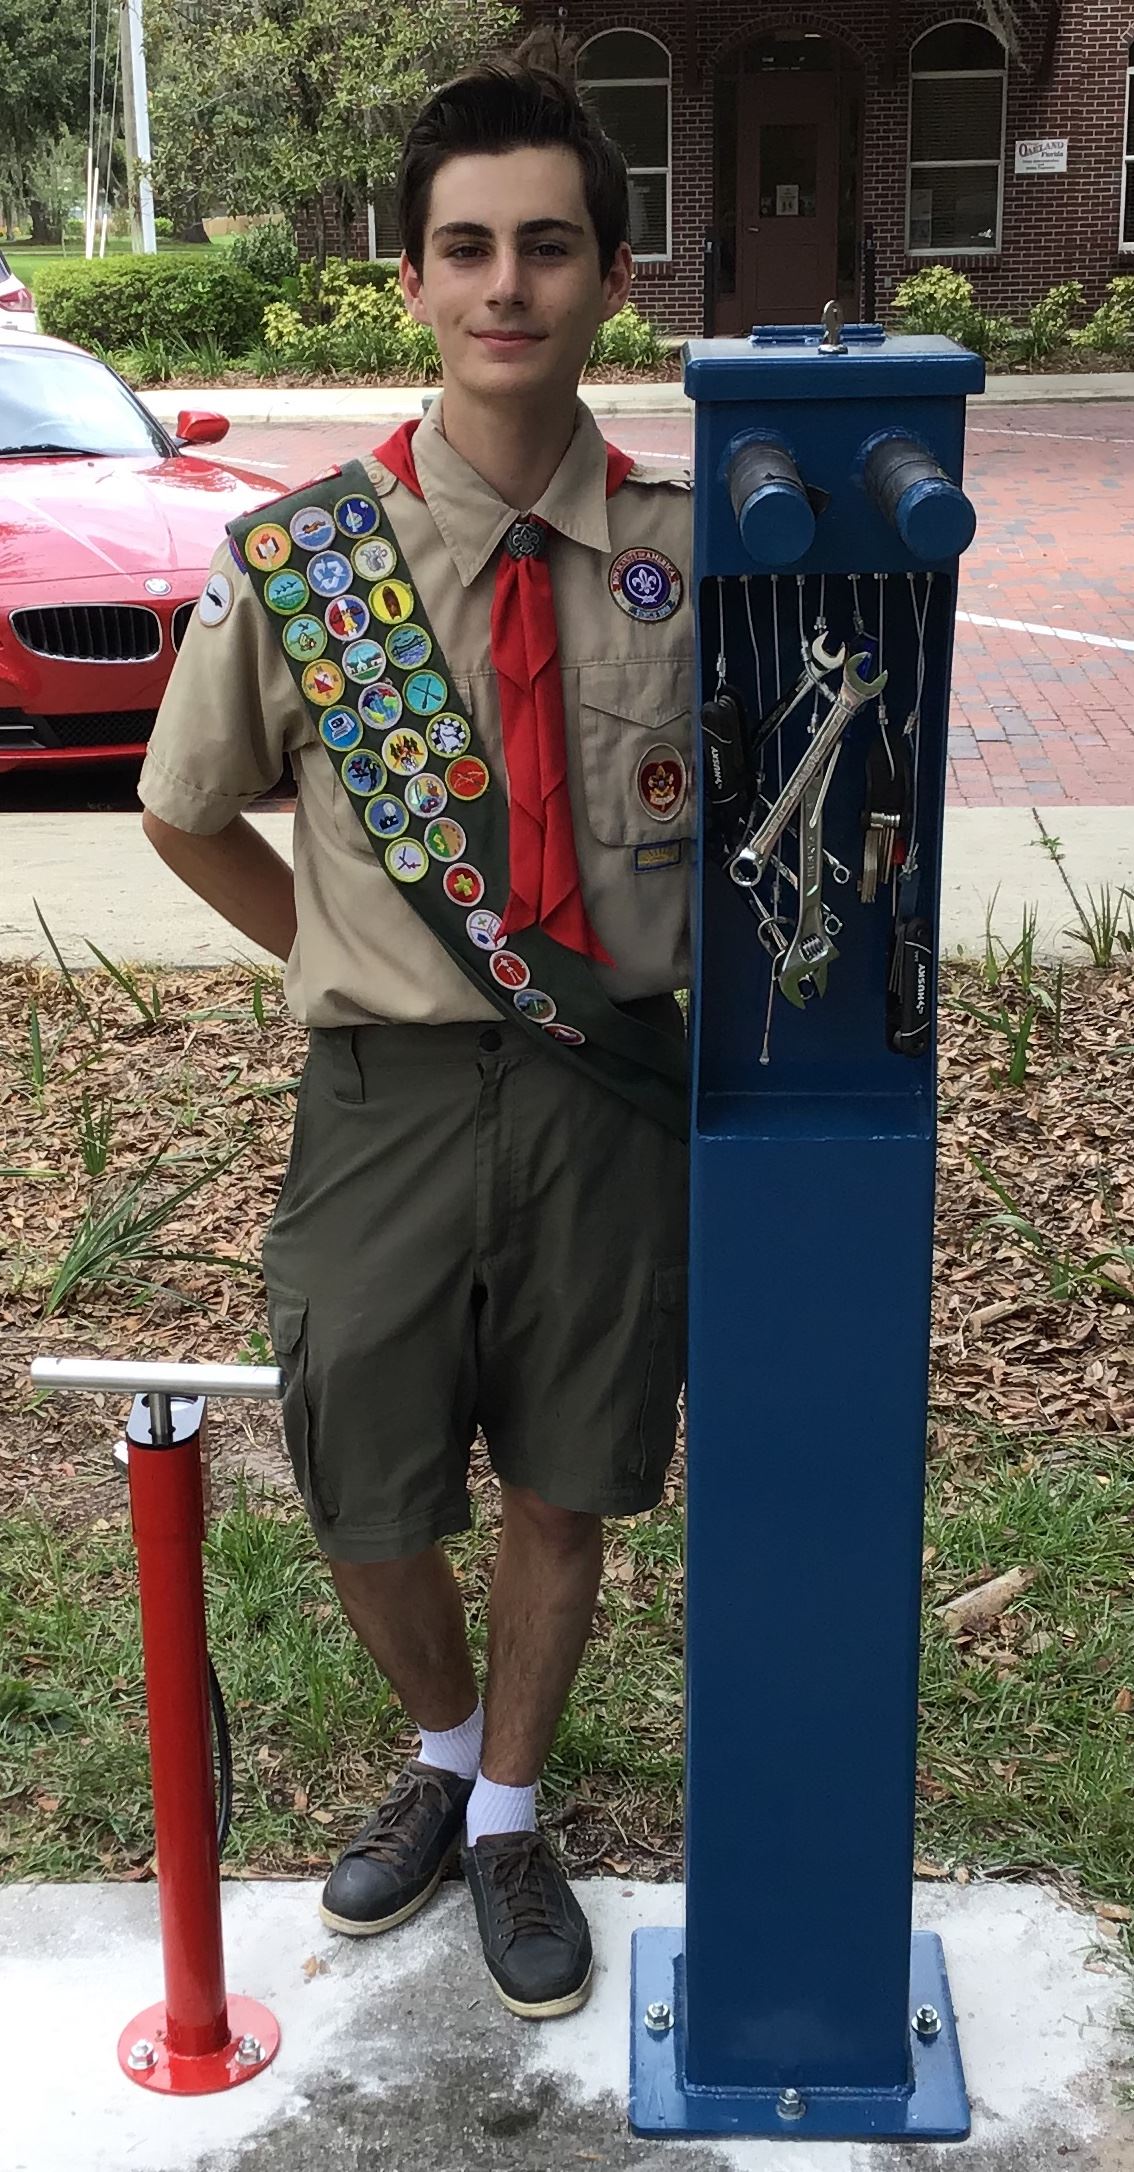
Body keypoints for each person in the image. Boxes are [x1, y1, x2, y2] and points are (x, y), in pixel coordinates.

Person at [139, 42, 694, 2023]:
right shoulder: (305, 568)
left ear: (611, 274)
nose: (507, 287)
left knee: (567, 1476)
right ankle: (443, 1752)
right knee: (363, 1474)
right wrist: (343, 951)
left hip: (606, 1097)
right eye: (466, 248)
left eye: (550, 245)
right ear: (409, 280)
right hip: (382, 1091)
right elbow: (185, 811)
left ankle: (514, 1813)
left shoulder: (689, 553)